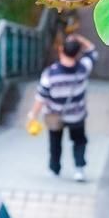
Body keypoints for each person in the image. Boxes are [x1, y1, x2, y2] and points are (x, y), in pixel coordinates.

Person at [29, 33, 98, 182]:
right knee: (79, 141)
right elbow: (92, 51)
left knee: (55, 142)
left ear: (61, 50)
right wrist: (80, 38)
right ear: (78, 52)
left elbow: (41, 97)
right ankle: (79, 169)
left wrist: (33, 115)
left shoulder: (50, 73)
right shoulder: (83, 68)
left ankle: (55, 169)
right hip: (77, 115)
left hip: (55, 116)